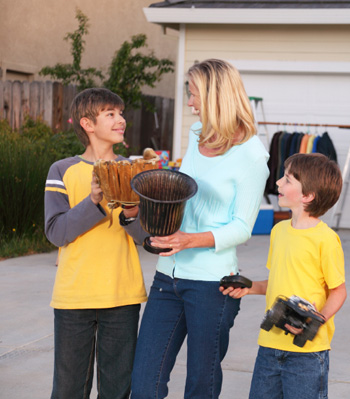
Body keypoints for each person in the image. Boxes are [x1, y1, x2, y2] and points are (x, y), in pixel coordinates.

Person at [130, 59, 270, 398]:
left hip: (212, 285)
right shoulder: (196, 135)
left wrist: (191, 240)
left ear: (216, 96)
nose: (190, 102)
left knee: (200, 386)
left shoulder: (252, 154)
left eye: (194, 95)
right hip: (168, 276)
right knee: (144, 384)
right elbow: (185, 194)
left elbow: (241, 227)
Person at [44, 88, 148, 398]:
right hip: (73, 297)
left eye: (121, 113)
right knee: (68, 390)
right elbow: (56, 231)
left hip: (122, 294)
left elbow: (146, 237)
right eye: (111, 114)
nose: (122, 120)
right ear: (88, 124)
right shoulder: (62, 170)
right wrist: (94, 201)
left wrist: (130, 209)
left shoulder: (134, 171)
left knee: (117, 390)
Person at [222, 152, 347, 398]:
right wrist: (249, 287)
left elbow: (339, 291)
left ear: (308, 196)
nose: (278, 183)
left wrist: (315, 320)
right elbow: (279, 281)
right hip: (270, 345)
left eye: (287, 180)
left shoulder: (326, 240)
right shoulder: (279, 231)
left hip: (307, 353)